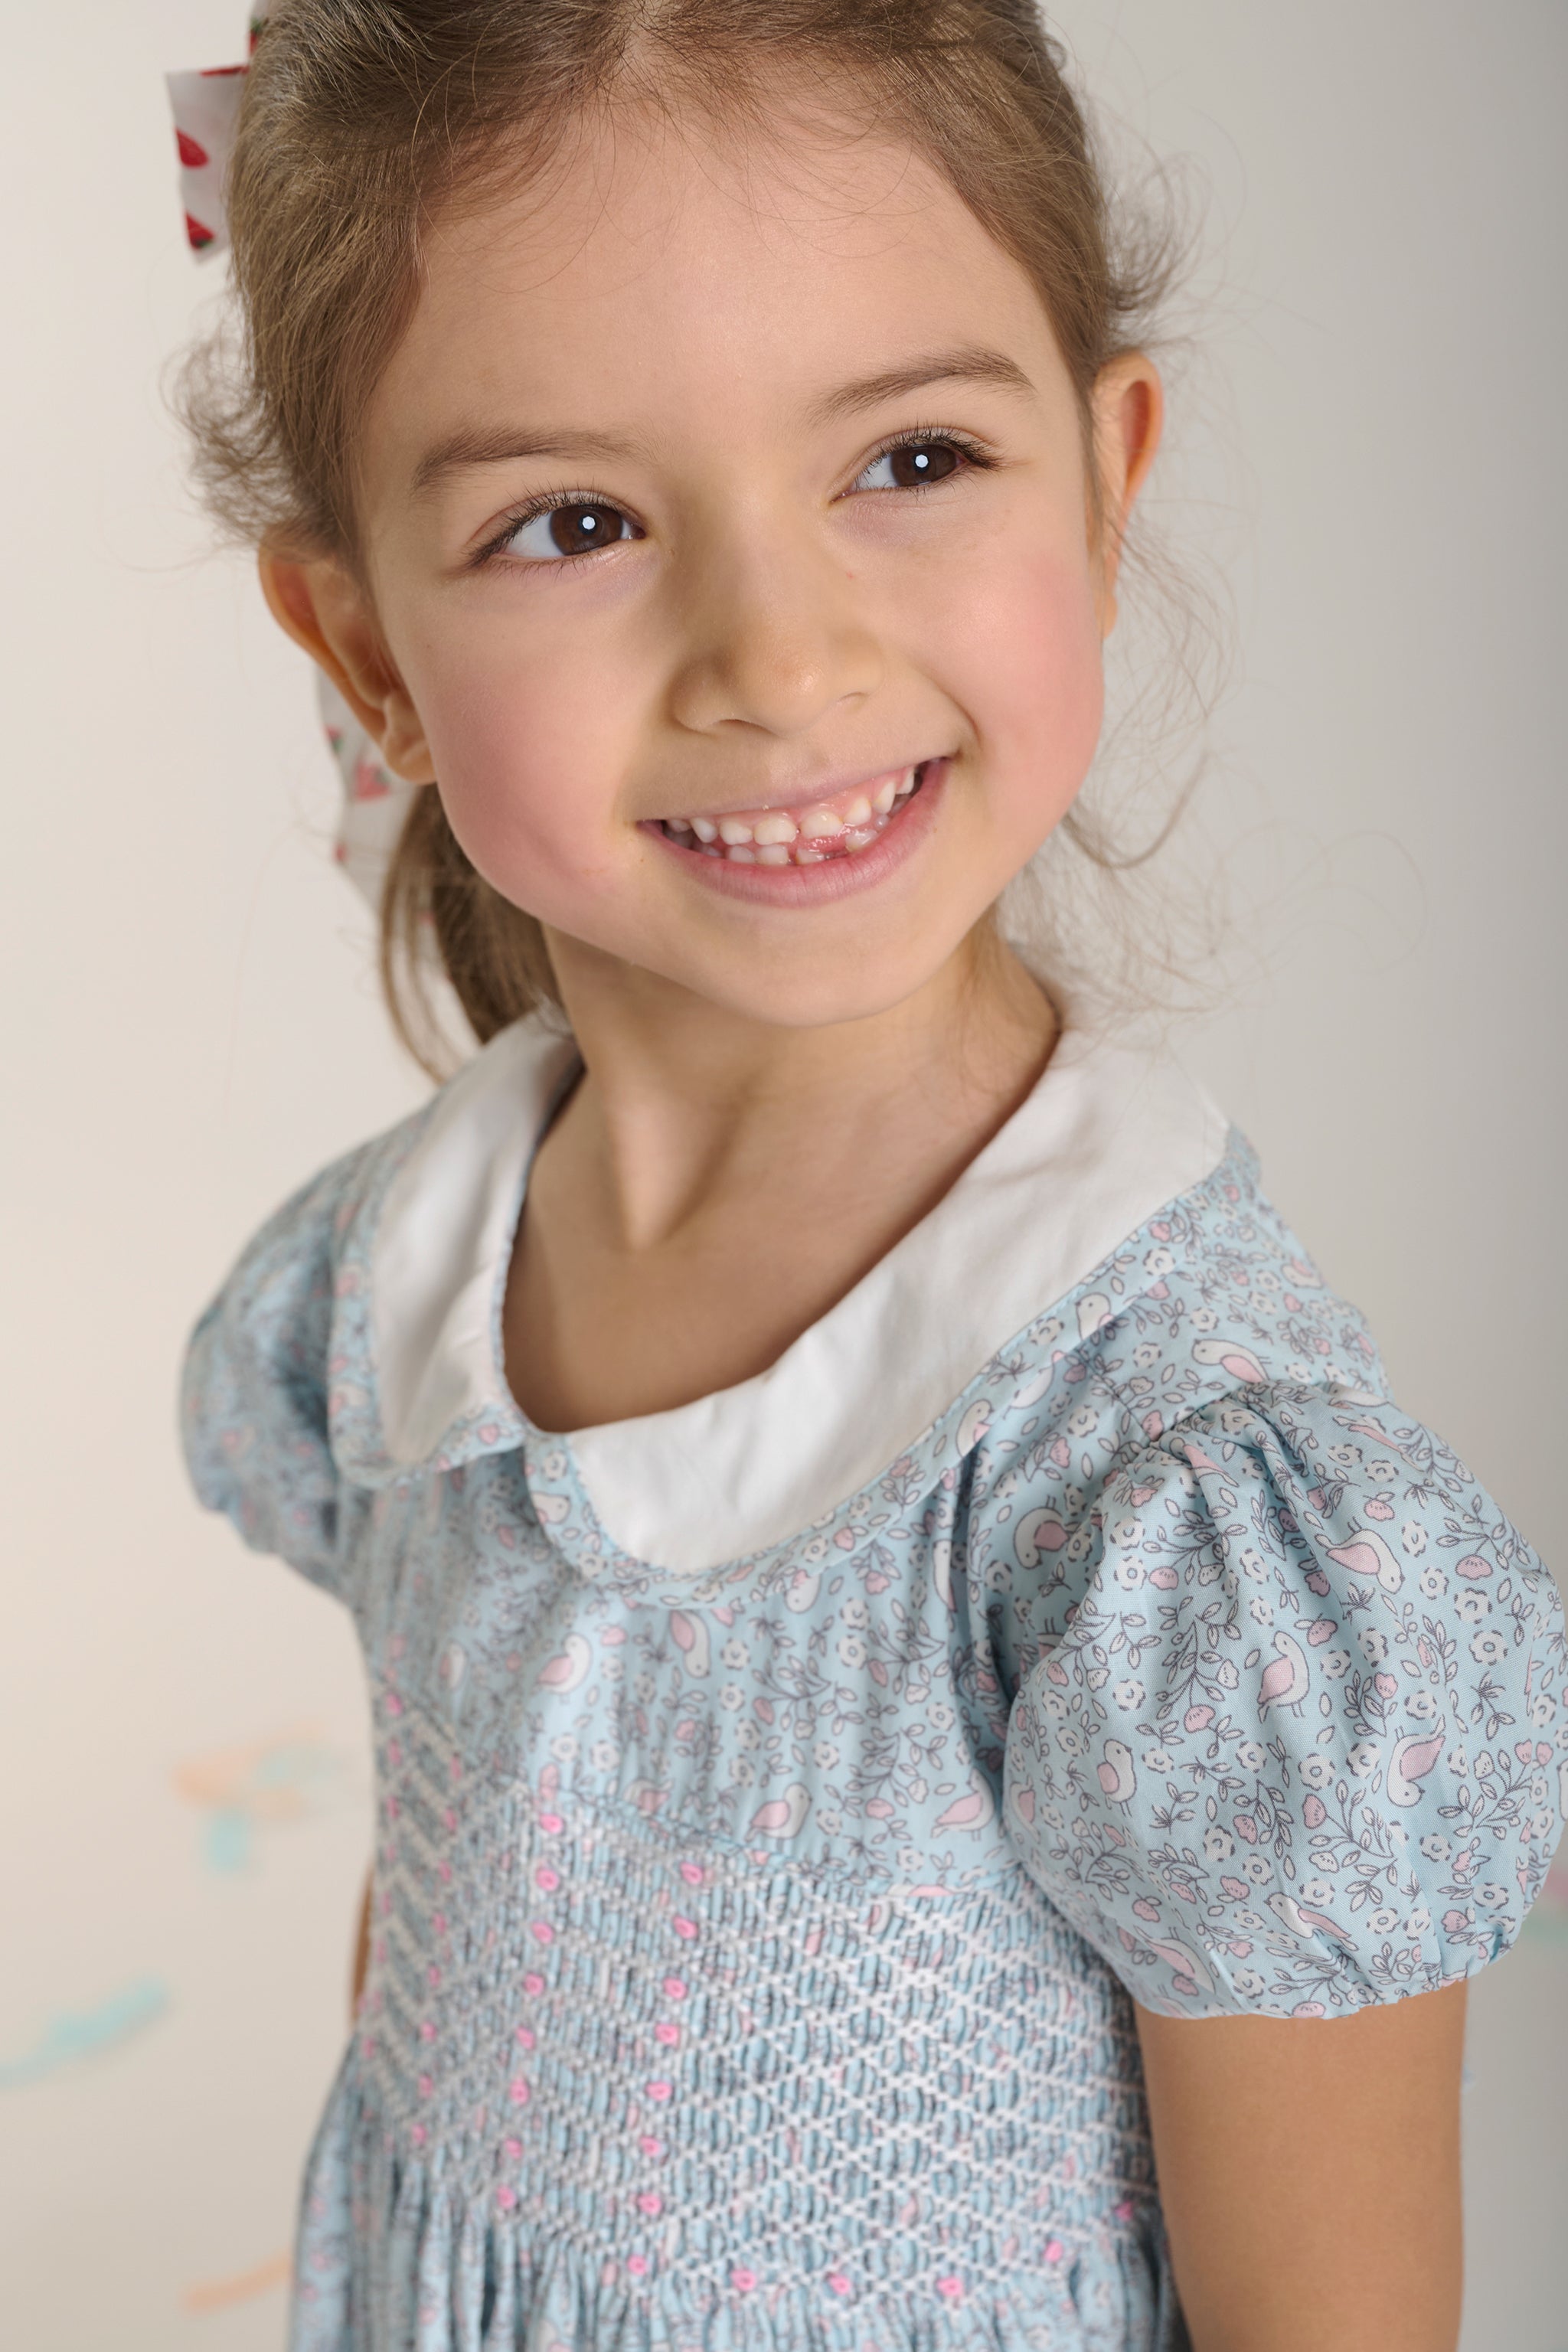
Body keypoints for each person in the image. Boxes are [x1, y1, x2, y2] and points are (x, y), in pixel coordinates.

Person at [174, 5, 1565, 2347]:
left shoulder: (1168, 1518)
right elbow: (444, 1993)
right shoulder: (390, 1290)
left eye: (910, 458)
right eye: (574, 523)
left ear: (1105, 490)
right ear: (364, 650)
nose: (778, 656)